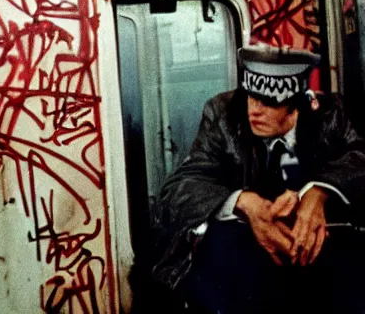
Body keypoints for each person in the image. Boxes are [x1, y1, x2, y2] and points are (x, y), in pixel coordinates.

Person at [151, 43, 365, 313]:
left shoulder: (329, 114)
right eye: (252, 97)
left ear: (294, 107)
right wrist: (244, 202)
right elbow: (180, 187)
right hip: (241, 268)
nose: (254, 110)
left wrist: (318, 192)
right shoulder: (224, 113)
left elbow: (359, 156)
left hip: (320, 261)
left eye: (268, 102)